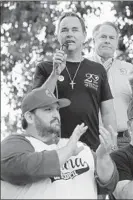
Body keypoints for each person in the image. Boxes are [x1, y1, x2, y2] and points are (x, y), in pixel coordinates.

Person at [1, 87, 119, 199]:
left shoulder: (78, 146)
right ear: (29, 117)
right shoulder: (16, 143)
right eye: (48, 109)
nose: (56, 115)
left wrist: (103, 157)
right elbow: (20, 168)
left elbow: (109, 185)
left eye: (57, 109)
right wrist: (68, 150)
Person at [32, 12, 117, 151]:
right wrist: (55, 74)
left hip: (91, 149)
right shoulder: (44, 68)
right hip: (53, 149)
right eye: (64, 30)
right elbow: (35, 104)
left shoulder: (97, 69)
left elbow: (108, 112)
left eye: (75, 30)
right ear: (58, 35)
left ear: (84, 36)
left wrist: (112, 146)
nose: (69, 34)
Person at [88, 21, 133, 148]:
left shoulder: (128, 68)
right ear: (94, 39)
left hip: (123, 141)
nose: (107, 41)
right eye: (103, 37)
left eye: (111, 38)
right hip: (91, 139)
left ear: (116, 42)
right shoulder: (82, 66)